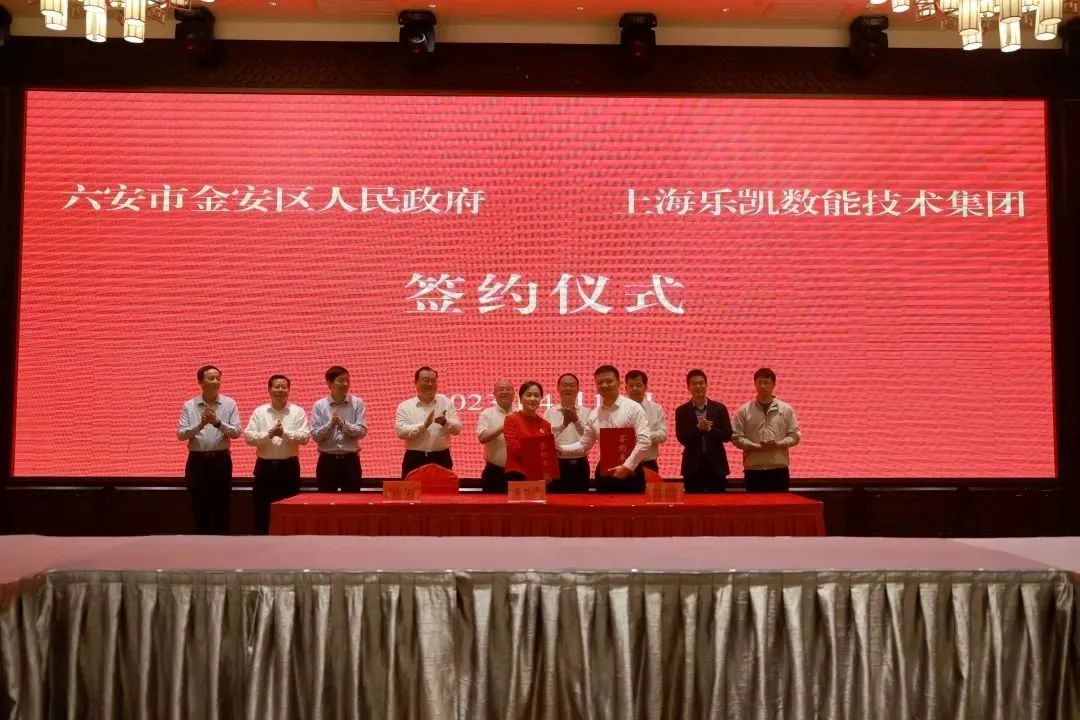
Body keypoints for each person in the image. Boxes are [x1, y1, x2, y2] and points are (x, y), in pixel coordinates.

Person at [558, 365, 651, 494]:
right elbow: (584, 445)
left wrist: (627, 466)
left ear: (618, 382)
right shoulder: (594, 414)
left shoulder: (634, 408)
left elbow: (645, 441)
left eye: (609, 381)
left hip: (632, 473)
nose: (605, 385)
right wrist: (560, 449)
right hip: (604, 474)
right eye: (600, 382)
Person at [177, 364, 241, 534]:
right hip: (197, 461)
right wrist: (200, 425)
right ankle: (201, 541)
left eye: (218, 378)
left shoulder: (229, 403)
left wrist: (217, 423)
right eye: (211, 378)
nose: (216, 381)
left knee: (222, 504)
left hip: (220, 460)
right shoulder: (189, 405)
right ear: (200, 382)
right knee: (199, 504)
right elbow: (181, 434)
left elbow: (236, 432)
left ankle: (223, 542)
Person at [244, 374, 310, 534]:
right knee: (262, 508)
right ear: (269, 390)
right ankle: (261, 540)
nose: (280, 390)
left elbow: (305, 437)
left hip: (289, 467)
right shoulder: (260, 412)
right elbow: (249, 438)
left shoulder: (297, 412)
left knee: (290, 506)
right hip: (265, 467)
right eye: (277, 387)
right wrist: (268, 434)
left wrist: (284, 434)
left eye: (284, 387)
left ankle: (290, 540)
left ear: (289, 390)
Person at [731, 367, 801, 492]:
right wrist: (755, 446)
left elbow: (794, 436)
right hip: (753, 470)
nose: (763, 386)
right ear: (754, 384)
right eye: (760, 383)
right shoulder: (744, 410)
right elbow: (736, 437)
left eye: (767, 383)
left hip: (779, 470)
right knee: (754, 505)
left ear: (774, 384)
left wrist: (778, 444)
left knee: (780, 505)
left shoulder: (786, 409)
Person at [394, 366, 462, 478]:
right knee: (413, 489)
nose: (430, 384)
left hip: (441, 458)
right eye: (426, 380)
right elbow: (401, 432)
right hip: (414, 459)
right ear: (416, 383)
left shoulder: (446, 403)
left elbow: (457, 429)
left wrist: (445, 422)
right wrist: (424, 425)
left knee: (442, 489)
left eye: (433, 381)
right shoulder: (405, 406)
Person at [674, 369, 733, 493]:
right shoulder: (681, 411)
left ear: (706, 385)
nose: (698, 386)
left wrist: (711, 429)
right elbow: (681, 438)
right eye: (694, 384)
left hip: (716, 466)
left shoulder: (720, 408)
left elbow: (727, 435)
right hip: (692, 467)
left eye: (701, 383)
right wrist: (698, 429)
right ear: (688, 387)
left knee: (717, 503)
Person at [310, 365, 367, 492]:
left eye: (347, 380)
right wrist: (330, 425)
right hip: (327, 461)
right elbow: (315, 436)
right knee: (326, 500)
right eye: (341, 380)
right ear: (329, 383)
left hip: (350, 461)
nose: (345, 384)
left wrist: (343, 425)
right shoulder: (320, 405)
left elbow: (362, 432)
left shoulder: (357, 403)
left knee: (352, 500)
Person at [543, 373, 590, 493]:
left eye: (571, 385)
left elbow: (588, 438)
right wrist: (564, 424)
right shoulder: (549, 412)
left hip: (580, 465)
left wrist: (576, 420)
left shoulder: (587, 412)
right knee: (556, 502)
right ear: (558, 388)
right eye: (564, 385)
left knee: (581, 501)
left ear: (578, 389)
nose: (568, 388)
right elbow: (547, 439)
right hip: (556, 465)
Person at [503, 380, 556, 481]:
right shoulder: (511, 420)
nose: (533, 399)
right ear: (521, 398)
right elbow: (514, 448)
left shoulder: (545, 424)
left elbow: (547, 454)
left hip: (539, 475)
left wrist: (549, 472)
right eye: (528, 395)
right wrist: (540, 446)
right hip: (518, 474)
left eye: (536, 396)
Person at [624, 369, 668, 474]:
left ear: (645, 387)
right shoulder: (618, 409)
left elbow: (663, 435)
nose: (635, 388)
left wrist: (642, 436)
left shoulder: (656, 408)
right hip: (624, 465)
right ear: (626, 388)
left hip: (649, 464)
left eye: (638, 385)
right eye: (631, 385)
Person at [476, 379, 515, 493]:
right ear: (494, 394)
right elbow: (482, 438)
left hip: (517, 472)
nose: (505, 392)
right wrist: (503, 427)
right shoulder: (486, 413)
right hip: (493, 472)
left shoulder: (521, 413)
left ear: (514, 393)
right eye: (501, 389)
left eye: (508, 389)